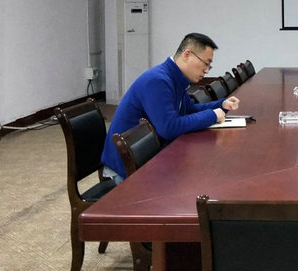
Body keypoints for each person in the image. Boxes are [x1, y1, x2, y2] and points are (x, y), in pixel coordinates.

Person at [101, 32, 240, 181]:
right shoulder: (158, 80)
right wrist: (212, 115)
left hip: (150, 157)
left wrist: (221, 105)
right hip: (127, 169)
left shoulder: (175, 78)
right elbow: (168, 128)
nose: (207, 70)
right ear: (187, 55)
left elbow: (189, 109)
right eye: (206, 63)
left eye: (209, 66)